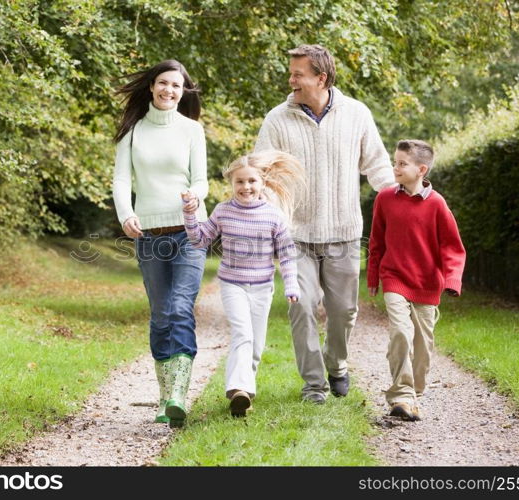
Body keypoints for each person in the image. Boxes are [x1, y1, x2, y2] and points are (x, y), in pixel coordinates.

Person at [255, 44, 395, 404]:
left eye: (298, 74)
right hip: (295, 237)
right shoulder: (277, 119)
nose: (291, 79)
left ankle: (337, 364)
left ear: (322, 77)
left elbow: (377, 166)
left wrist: (401, 197)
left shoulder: (357, 114)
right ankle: (314, 384)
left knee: (343, 312)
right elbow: (262, 174)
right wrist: (272, 217)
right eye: (292, 73)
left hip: (343, 234)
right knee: (300, 307)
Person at [112, 60, 208, 428]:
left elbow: (201, 180)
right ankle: (165, 392)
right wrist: (125, 214)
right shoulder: (132, 131)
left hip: (189, 232)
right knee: (161, 315)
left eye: (177, 86)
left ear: (184, 92)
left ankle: (178, 397)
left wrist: (194, 197)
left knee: (181, 307)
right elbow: (122, 180)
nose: (170, 90)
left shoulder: (191, 130)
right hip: (148, 234)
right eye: (164, 83)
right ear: (152, 86)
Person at [181, 150, 303, 417]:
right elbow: (199, 240)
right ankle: (237, 389)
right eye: (240, 182)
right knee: (243, 334)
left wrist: (292, 285)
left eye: (251, 181)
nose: (246, 187)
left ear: (262, 184)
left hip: (262, 287)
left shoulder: (273, 215)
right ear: (231, 183)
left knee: (256, 346)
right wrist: (190, 215)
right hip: (232, 284)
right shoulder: (223, 211)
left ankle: (245, 395)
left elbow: (286, 253)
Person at [367, 139, 466, 421]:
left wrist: (452, 280)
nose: (395, 167)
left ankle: (414, 392)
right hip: (394, 277)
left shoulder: (437, 204)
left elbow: (452, 247)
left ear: (421, 169)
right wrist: (374, 275)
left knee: (423, 348)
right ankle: (401, 396)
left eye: (402, 163)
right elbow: (376, 243)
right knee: (400, 332)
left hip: (427, 283)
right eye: (394, 161)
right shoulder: (384, 198)